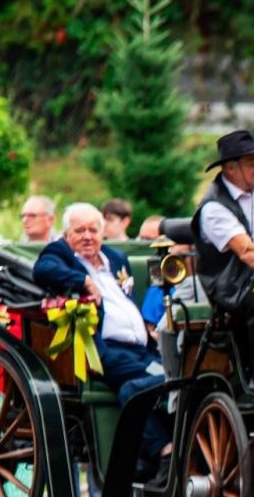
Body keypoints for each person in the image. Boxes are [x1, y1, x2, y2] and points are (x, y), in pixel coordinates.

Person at [33, 203, 171, 476]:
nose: (87, 236)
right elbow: (43, 269)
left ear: (102, 232)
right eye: (79, 231)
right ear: (66, 234)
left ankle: (155, 455)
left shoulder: (116, 258)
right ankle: (165, 450)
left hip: (143, 348)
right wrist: (84, 280)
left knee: (139, 386)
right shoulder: (60, 253)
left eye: (93, 230)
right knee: (166, 379)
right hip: (105, 350)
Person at [191, 129, 254, 401]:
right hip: (235, 285)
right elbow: (248, 253)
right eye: (251, 163)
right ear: (230, 169)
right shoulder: (213, 208)